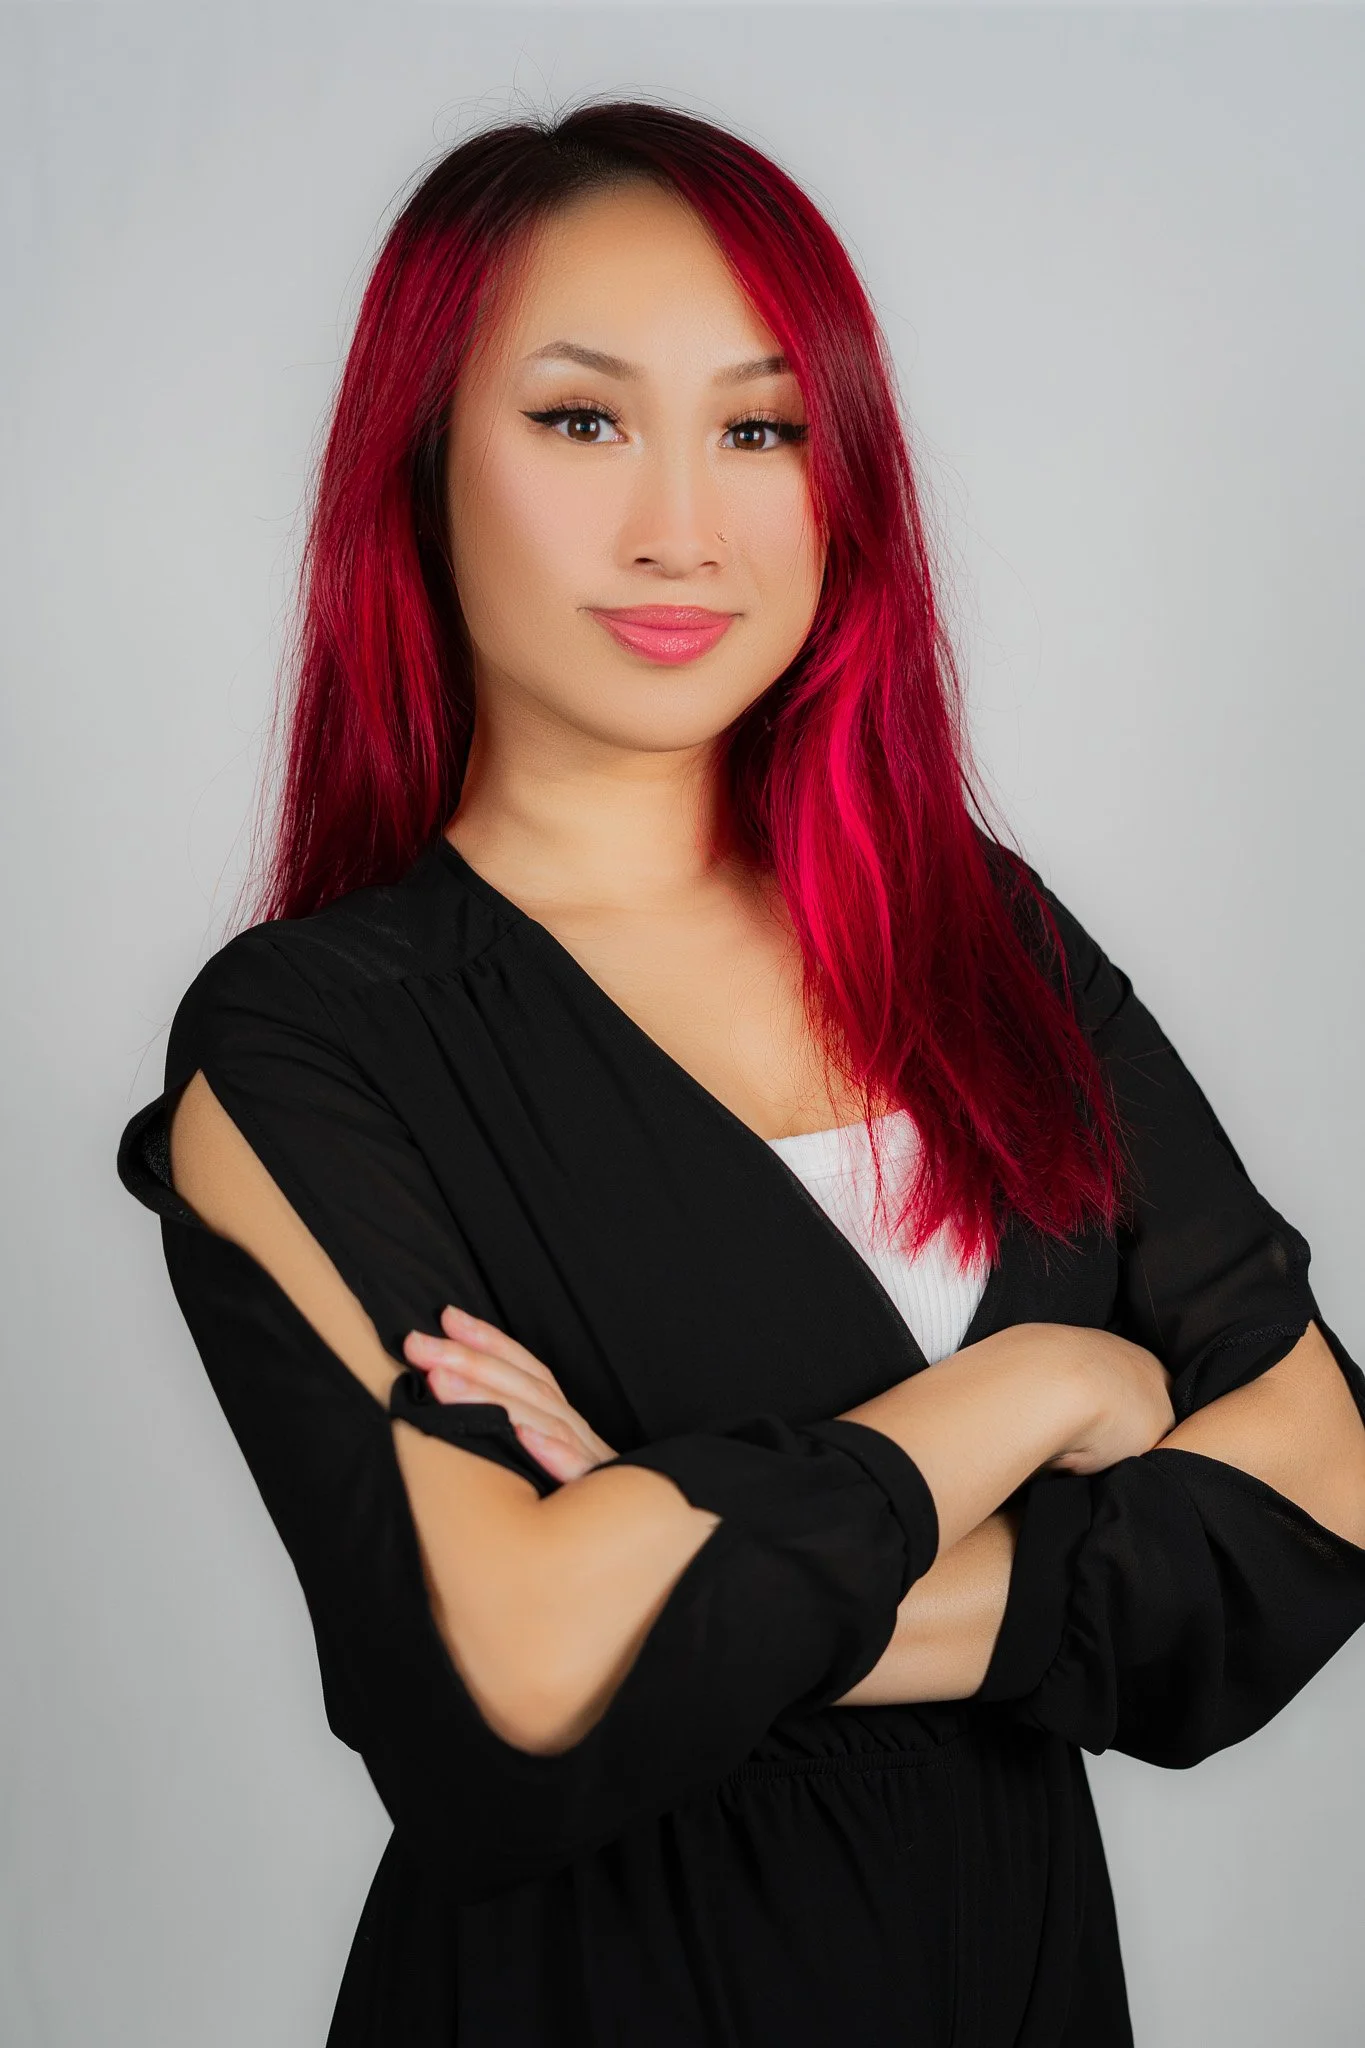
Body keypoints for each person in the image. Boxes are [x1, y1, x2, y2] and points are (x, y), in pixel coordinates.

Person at [115, 102, 1365, 2048]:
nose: (680, 525)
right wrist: (1032, 1389)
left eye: (761, 428)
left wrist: (682, 1545)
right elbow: (516, 1687)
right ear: (422, 459)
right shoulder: (302, 1039)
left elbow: (1312, 1500)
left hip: (1010, 1982)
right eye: (581, 419)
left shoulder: (982, 936)